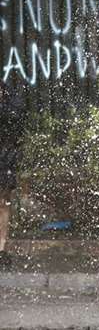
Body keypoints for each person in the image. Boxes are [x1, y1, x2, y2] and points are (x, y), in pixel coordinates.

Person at [0, 82, 21, 268]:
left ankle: (2, 248)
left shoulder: (10, 95)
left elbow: (16, 121)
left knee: (4, 203)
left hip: (6, 156)